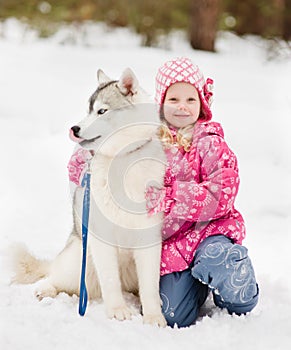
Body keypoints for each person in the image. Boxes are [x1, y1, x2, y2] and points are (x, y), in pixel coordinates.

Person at [68, 57, 259, 328]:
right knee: (173, 315)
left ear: (202, 103)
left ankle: (237, 292)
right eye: (173, 100)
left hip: (207, 234)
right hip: (173, 245)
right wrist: (87, 151)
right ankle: (198, 285)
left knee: (218, 260)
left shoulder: (210, 142)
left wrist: (170, 198)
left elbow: (221, 195)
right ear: (161, 103)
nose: (182, 106)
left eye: (190, 100)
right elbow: (110, 152)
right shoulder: (149, 138)